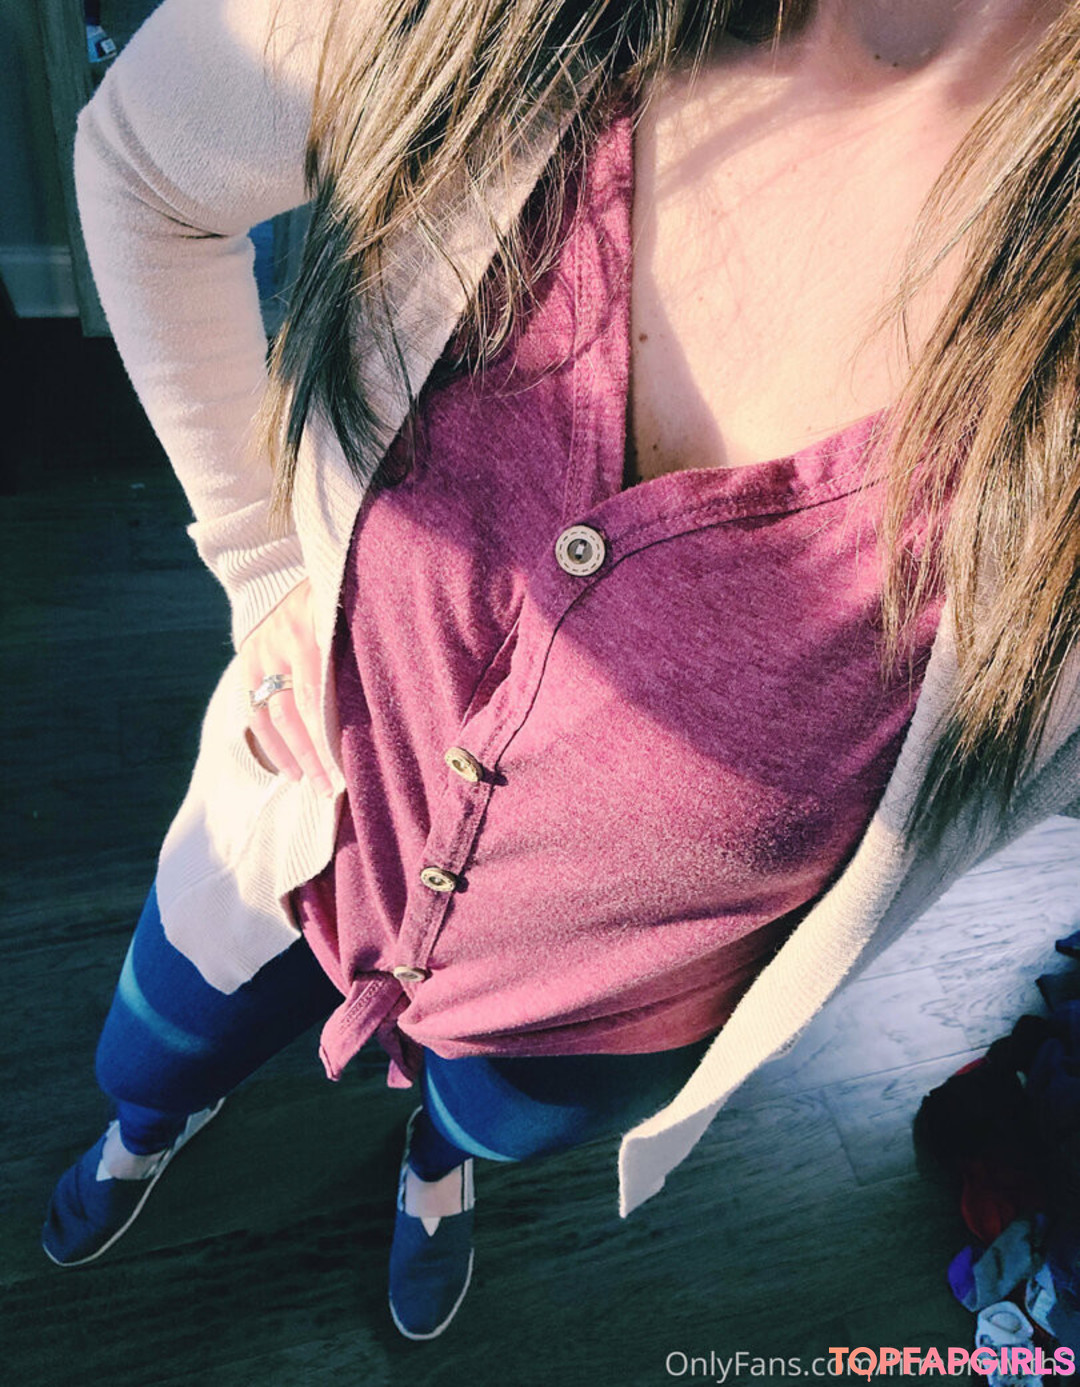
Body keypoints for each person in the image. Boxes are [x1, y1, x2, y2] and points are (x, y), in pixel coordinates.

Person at [43, 0, 1080, 1343]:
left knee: (480, 1117)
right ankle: (149, 1128)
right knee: (154, 1048)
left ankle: (436, 1163)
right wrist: (260, 559)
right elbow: (144, 166)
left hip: (595, 1028)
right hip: (298, 841)